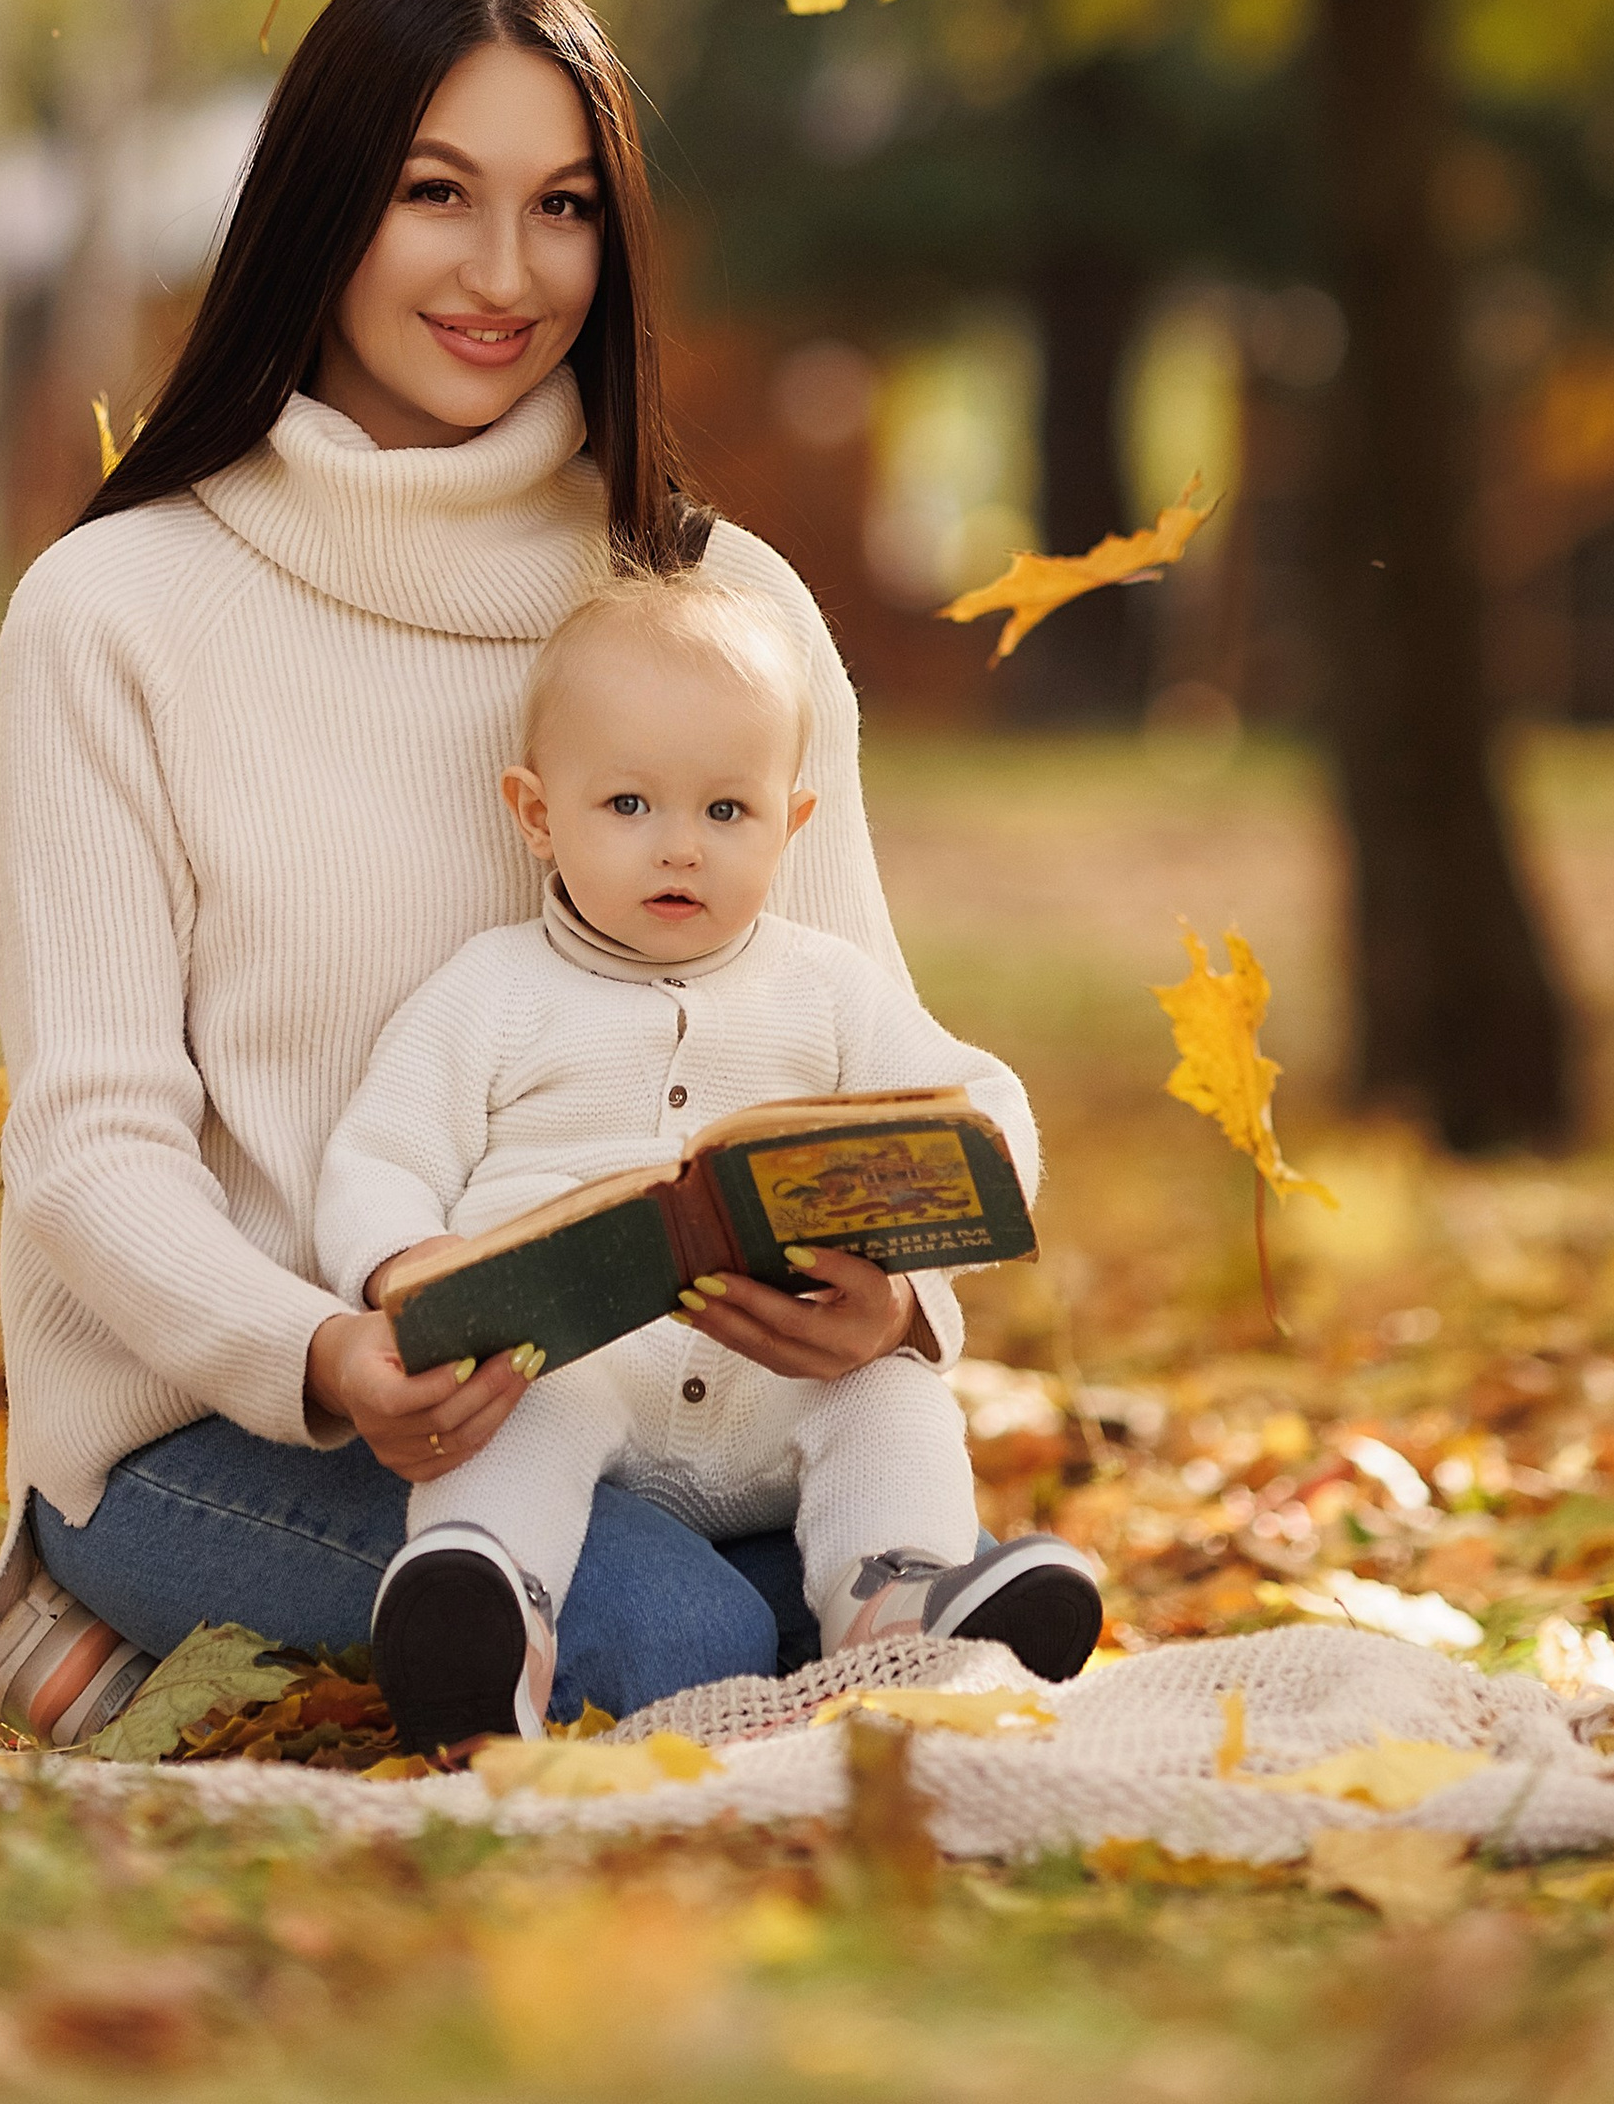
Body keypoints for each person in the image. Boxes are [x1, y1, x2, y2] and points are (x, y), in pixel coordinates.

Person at [0, 0, 1059, 1744]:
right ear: (323, 209)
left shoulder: (723, 608)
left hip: (677, 1407)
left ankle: (811, 1625)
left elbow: (876, 1041)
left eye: (560, 207)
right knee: (693, 1645)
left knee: (880, 1587)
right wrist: (327, 1356)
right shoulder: (117, 611)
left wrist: (899, 1300)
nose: (503, 272)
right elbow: (90, 1155)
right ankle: (104, 1623)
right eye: (434, 196)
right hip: (225, 1429)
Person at [315, 571, 1104, 1752]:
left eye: (725, 813)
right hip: (587, 1369)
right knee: (520, 1398)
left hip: (782, 1376)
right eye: (627, 804)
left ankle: (901, 1598)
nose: (679, 848)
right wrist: (414, 1269)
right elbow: (378, 1153)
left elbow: (981, 1103)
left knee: (891, 1394)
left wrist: (908, 1275)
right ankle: (488, 1609)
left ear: (790, 824)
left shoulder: (828, 985)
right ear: (538, 814)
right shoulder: (487, 989)